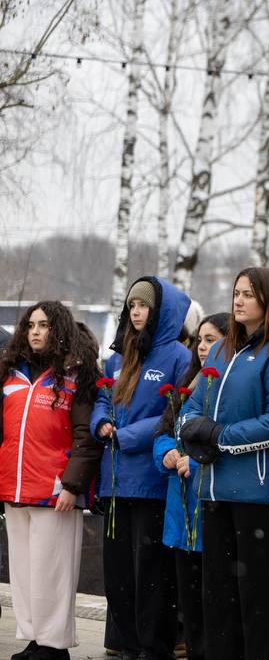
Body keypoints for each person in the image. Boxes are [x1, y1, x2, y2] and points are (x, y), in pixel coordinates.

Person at [179, 266, 269, 660]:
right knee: (217, 598)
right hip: (214, 488)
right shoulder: (221, 350)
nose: (238, 300)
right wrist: (193, 431)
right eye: (236, 292)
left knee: (259, 601)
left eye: (248, 294)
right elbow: (190, 406)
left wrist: (219, 437)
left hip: (259, 494)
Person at [92, 277, 192, 660]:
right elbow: (102, 395)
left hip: (150, 483)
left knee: (151, 575)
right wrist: (102, 421)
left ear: (160, 312)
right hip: (115, 480)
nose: (135, 312)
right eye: (131, 305)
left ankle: (154, 649)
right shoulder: (118, 356)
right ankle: (129, 646)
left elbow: (174, 415)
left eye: (144, 305)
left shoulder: (178, 357)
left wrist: (128, 435)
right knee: (118, 576)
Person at [0, 302, 104, 660]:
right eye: (30, 325)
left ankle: (54, 646)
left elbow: (85, 437)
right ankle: (34, 639)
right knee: (25, 573)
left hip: (55, 489)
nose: (35, 332)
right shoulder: (11, 373)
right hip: (15, 488)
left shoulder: (77, 374)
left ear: (58, 329)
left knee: (52, 572)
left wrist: (73, 486)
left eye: (44, 325)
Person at [154, 312, 230, 660]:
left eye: (211, 339)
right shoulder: (188, 384)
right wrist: (168, 452)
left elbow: (228, 440)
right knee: (189, 599)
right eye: (200, 339)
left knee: (213, 600)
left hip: (211, 504)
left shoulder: (229, 384)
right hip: (180, 507)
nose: (202, 347)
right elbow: (164, 432)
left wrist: (198, 459)